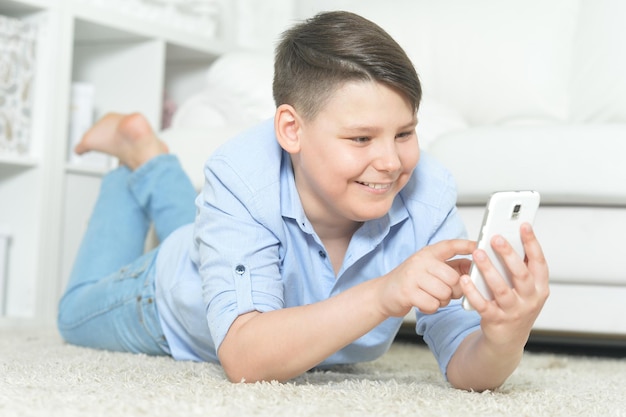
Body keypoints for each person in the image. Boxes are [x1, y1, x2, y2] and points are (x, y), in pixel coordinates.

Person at [57, 11, 549, 391]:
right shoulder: (240, 177)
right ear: (291, 129)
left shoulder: (427, 190)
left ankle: (151, 161)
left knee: (209, 231)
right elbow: (245, 357)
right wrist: (384, 293)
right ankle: (139, 158)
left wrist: (504, 337)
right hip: (162, 300)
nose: (390, 162)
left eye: (404, 133)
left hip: (222, 238)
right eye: (360, 139)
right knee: (72, 313)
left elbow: (465, 363)